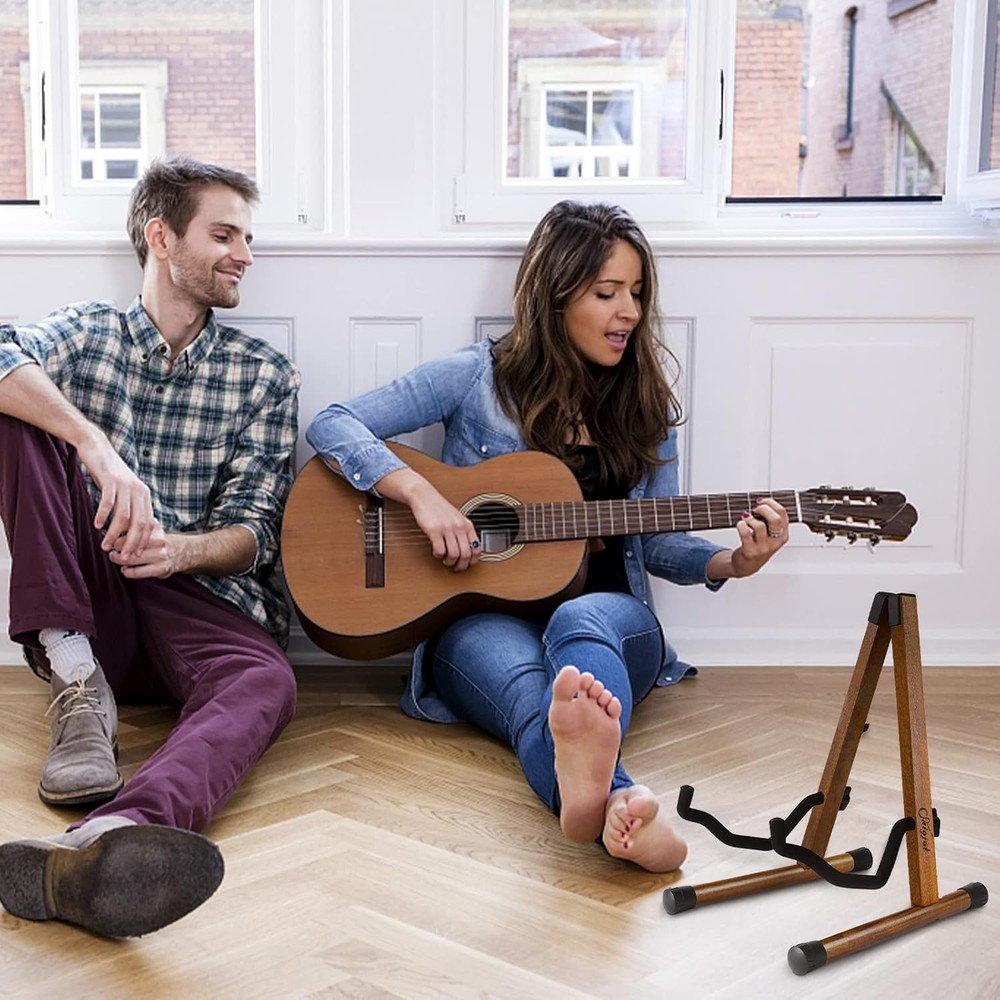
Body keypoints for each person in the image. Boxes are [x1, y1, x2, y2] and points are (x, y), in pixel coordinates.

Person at [305, 200, 788, 873]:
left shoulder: (644, 411)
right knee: (535, 693)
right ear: (555, 293)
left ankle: (598, 790)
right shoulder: (475, 377)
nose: (631, 312)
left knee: (576, 620)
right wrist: (419, 494)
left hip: (610, 620)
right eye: (607, 292)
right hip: (474, 617)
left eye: (639, 293)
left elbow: (655, 542)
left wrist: (732, 561)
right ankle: (616, 806)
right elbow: (334, 423)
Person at [0, 156, 300, 937]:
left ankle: (106, 839)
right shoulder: (87, 333)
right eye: (225, 233)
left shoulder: (262, 376)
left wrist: (180, 551)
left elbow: (256, 532)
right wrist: (96, 449)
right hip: (87, 603)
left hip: (189, 602)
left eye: (248, 237)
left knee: (268, 680)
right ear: (161, 236)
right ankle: (75, 683)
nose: (245, 254)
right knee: (18, 415)